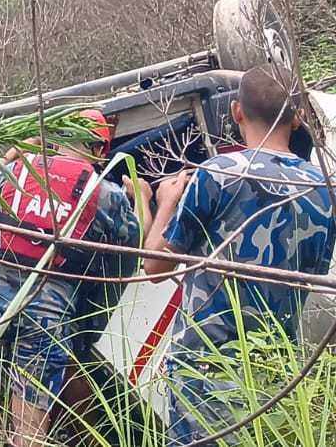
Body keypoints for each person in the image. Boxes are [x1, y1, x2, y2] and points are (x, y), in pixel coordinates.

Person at [140, 64, 336, 446]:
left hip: (206, 367)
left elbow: (154, 267)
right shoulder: (325, 189)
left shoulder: (218, 174)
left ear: (236, 112)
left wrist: (164, 202)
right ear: (296, 119)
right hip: (278, 370)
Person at [0, 109, 137, 447]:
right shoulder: (105, 194)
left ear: (57, 140)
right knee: (29, 428)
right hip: (47, 318)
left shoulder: (16, 171)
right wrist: (142, 198)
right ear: (101, 150)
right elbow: (132, 248)